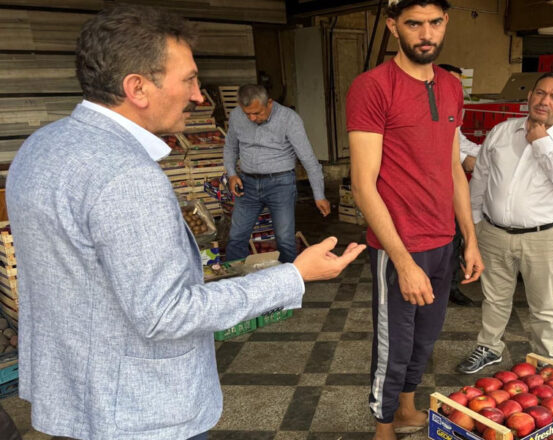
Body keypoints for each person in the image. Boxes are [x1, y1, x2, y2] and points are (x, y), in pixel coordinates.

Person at [5, 6, 364, 439]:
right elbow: (167, 314)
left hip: (76, 394)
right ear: (137, 87)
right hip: (142, 411)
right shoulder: (127, 174)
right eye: (190, 79)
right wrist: (294, 276)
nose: (199, 96)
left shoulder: (41, 146)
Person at [346, 0, 484, 438]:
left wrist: (470, 238)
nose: (426, 33)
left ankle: (406, 410)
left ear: (446, 24)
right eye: (414, 24)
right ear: (392, 27)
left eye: (434, 23)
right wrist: (402, 261)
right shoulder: (372, 87)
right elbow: (363, 184)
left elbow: (452, 168)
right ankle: (383, 427)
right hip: (398, 246)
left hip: (443, 242)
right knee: (394, 344)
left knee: (426, 339)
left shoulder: (450, 86)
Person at [458, 72, 553, 373]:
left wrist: (543, 143)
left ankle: (544, 357)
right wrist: (474, 224)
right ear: (530, 96)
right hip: (493, 232)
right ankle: (489, 346)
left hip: (545, 237)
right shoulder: (502, 132)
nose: (544, 101)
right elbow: (480, 178)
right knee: (493, 297)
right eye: (540, 93)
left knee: (544, 306)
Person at [223, 84, 331, 263]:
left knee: (285, 239)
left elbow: (308, 158)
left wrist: (319, 195)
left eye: (257, 113)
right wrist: (232, 174)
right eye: (247, 113)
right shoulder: (236, 116)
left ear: (269, 103)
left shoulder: (289, 119)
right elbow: (230, 148)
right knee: (236, 237)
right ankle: (237, 284)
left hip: (280, 184)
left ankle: (290, 285)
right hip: (247, 184)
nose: (251, 118)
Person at [438, 63, 481, 307]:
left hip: (453, 191)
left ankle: (450, 286)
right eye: (450, 82)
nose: (455, 88)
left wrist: (489, 152)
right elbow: (435, 147)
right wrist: (465, 160)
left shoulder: (452, 110)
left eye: (458, 84)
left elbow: (460, 141)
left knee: (454, 240)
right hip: (432, 194)